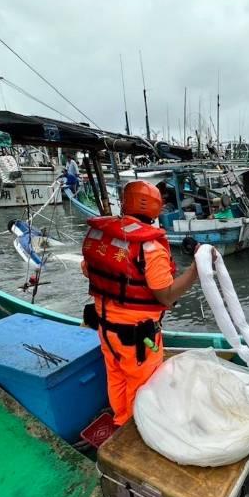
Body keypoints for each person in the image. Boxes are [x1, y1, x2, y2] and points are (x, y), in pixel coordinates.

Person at [81, 180, 202, 427]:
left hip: (106, 329)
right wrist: (195, 271)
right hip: (137, 337)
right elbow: (165, 295)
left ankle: (120, 419)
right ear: (155, 208)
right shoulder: (150, 247)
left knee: (115, 376)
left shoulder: (102, 234)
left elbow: (88, 270)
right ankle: (135, 429)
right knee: (140, 383)